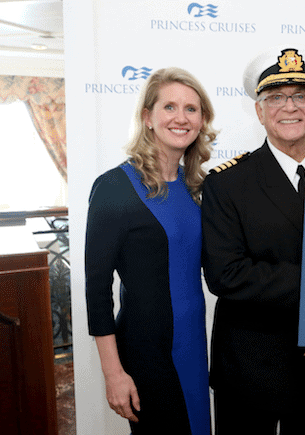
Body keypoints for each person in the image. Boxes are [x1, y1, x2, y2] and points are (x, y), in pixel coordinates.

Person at [201, 46, 305, 435]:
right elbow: (226, 274)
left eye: (301, 96)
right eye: (275, 97)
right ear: (259, 111)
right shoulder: (226, 183)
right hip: (250, 368)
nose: (289, 107)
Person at [85, 67, 217, 434]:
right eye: (170, 107)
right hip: (147, 355)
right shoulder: (114, 187)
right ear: (147, 117)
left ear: (202, 120)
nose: (181, 117)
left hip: (193, 346)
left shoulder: (196, 188)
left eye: (192, 109)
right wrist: (114, 374)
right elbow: (97, 291)